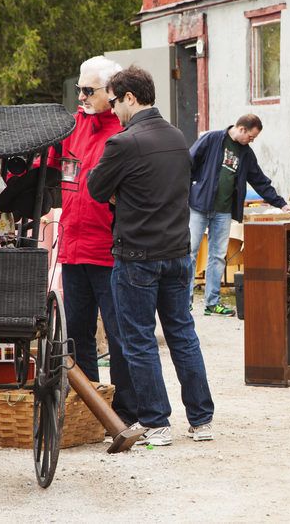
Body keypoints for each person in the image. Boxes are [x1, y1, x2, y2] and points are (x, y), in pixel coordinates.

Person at [87, 66, 215, 446]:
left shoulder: (124, 142)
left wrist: (119, 194)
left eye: (114, 102)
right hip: (177, 252)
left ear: (129, 97)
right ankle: (201, 419)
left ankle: (157, 422)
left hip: (137, 254)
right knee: (182, 335)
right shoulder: (177, 137)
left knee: (138, 339)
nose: (112, 110)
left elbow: (95, 188)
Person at [46, 56, 138, 427]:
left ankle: (126, 411)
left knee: (119, 337)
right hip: (74, 249)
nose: (81, 96)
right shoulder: (73, 126)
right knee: (78, 336)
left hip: (111, 251)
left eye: (88, 91)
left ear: (111, 91)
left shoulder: (124, 130)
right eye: (78, 89)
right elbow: (49, 166)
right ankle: (88, 408)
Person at [188, 114, 290, 316]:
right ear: (242, 129)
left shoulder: (246, 154)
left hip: (224, 211)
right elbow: (189, 162)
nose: (251, 141)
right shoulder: (212, 139)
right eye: (251, 137)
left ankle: (212, 303)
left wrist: (281, 203)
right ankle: (184, 303)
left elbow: (259, 180)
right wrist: (189, 190)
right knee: (190, 253)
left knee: (218, 256)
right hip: (199, 206)